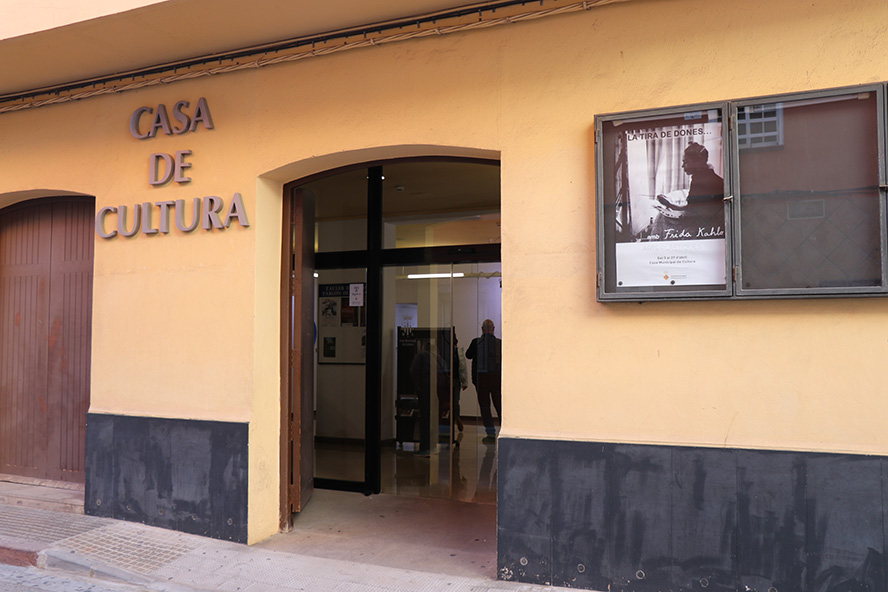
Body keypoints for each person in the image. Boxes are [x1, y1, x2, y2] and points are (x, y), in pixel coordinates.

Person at [647, 142, 725, 241]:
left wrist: (670, 208)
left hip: (701, 227)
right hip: (707, 222)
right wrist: (670, 205)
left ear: (698, 162)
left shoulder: (701, 180)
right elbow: (692, 208)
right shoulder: (709, 177)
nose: (682, 166)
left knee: (661, 218)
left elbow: (691, 212)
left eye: (686, 162)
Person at [465, 319, 502, 444]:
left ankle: (490, 434)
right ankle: (503, 432)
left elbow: (468, 355)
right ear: (493, 329)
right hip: (496, 379)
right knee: (499, 406)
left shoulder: (476, 342)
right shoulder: (499, 343)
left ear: (482, 329)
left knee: (485, 407)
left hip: (481, 380)